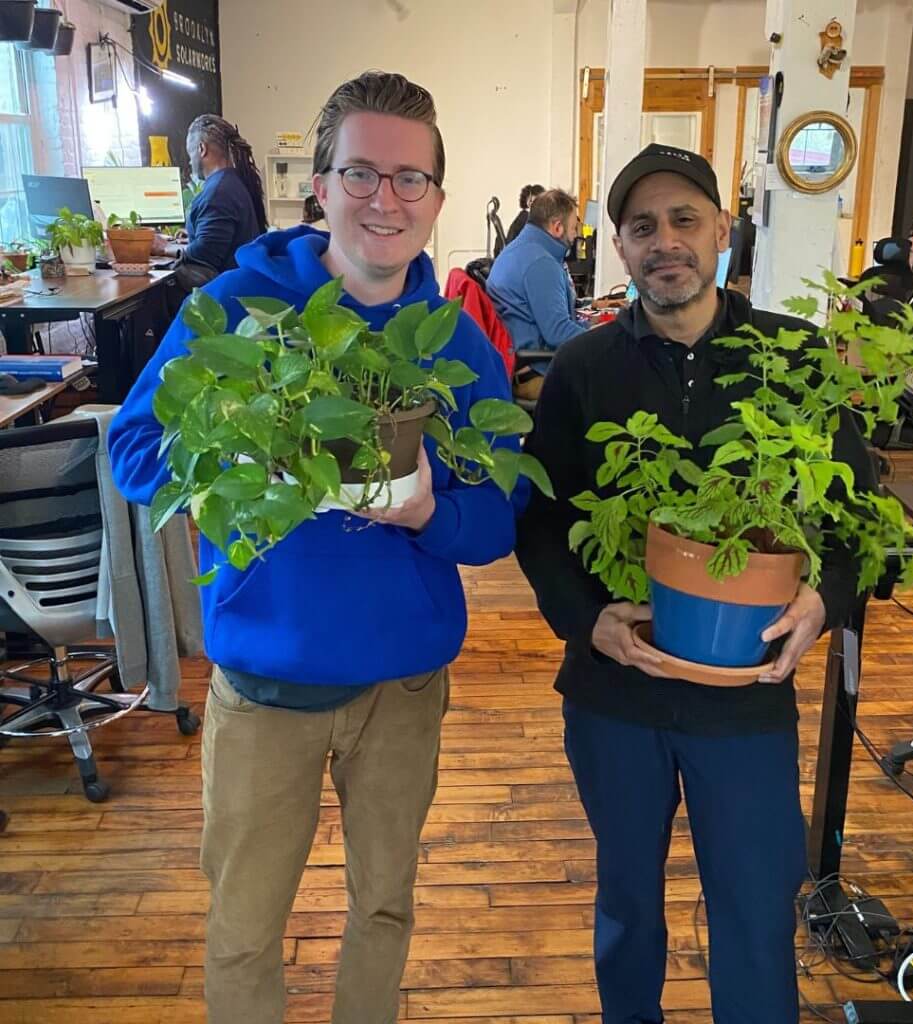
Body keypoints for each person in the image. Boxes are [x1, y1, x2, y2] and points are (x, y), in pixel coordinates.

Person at [108, 70, 522, 1024]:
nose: (387, 199)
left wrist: (428, 513)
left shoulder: (456, 344)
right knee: (245, 927)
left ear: (437, 198)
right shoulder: (241, 307)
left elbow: (498, 518)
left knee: (385, 904)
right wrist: (246, 472)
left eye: (410, 178)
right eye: (363, 173)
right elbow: (135, 448)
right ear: (322, 187)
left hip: (403, 689)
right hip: (265, 688)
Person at [515, 143, 874, 1024]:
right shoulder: (584, 369)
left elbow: (857, 521)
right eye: (643, 227)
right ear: (619, 247)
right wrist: (587, 620)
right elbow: (538, 520)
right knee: (628, 909)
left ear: (722, 229)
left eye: (684, 220)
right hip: (616, 693)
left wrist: (822, 601)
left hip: (746, 691)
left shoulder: (793, 358)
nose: (665, 241)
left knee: (753, 913)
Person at [486, 188, 586, 400]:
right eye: (574, 227)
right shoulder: (540, 263)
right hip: (537, 373)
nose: (576, 234)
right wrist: (605, 337)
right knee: (621, 379)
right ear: (557, 227)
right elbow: (557, 332)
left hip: (525, 366)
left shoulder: (521, 250)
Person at [153, 114, 268, 294]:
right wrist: (194, 235)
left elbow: (204, 256)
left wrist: (164, 247)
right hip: (241, 288)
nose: (190, 162)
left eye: (190, 154)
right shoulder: (233, 181)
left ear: (201, 149)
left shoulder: (218, 192)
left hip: (224, 297)